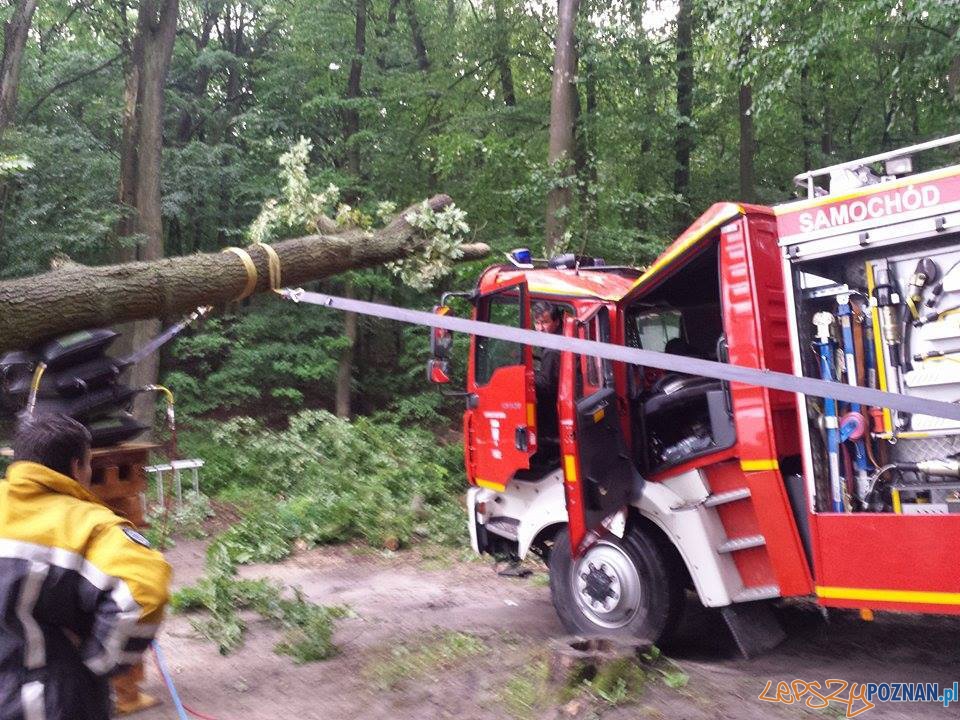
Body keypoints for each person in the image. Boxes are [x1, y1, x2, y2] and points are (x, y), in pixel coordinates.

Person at [0, 414, 171, 720]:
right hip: (49, 703)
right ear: (77, 467)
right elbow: (143, 595)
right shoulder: (92, 526)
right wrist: (99, 661)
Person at [532, 301, 562, 458]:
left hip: (554, 407)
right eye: (537, 323)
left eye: (545, 323)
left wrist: (529, 375)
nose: (540, 328)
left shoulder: (552, 350)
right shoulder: (552, 340)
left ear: (556, 322)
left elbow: (546, 384)